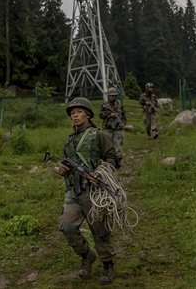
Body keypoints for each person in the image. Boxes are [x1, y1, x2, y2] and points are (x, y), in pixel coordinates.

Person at [56, 97, 119, 285]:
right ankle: (86, 255)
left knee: (99, 230)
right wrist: (61, 169)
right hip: (74, 191)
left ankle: (108, 264)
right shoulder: (69, 141)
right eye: (72, 113)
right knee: (66, 226)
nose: (75, 115)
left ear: (88, 115)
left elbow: (112, 159)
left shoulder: (100, 136)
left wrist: (100, 173)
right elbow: (64, 161)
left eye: (79, 112)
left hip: (95, 191)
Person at [99, 87, 126, 168]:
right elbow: (100, 115)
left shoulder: (120, 104)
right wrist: (109, 114)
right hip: (107, 128)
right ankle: (108, 162)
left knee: (118, 145)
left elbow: (124, 115)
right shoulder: (104, 105)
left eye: (114, 96)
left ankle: (118, 161)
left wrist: (123, 123)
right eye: (110, 96)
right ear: (108, 96)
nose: (112, 97)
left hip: (117, 128)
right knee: (107, 145)